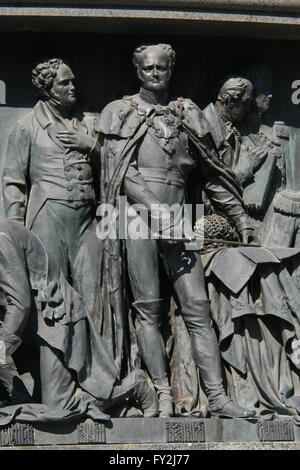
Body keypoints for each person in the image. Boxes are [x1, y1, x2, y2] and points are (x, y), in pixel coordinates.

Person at [96, 43, 256, 419]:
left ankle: (218, 397)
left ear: (171, 70)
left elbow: (212, 175)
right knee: (148, 310)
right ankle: (162, 394)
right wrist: (158, 213)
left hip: (184, 214)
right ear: (138, 71)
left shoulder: (187, 114)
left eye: (162, 68)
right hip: (133, 219)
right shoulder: (118, 112)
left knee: (197, 307)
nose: (156, 74)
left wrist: (241, 218)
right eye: (149, 68)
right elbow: (119, 172)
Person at [0, 219, 158, 425]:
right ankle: (118, 409)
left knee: (58, 409)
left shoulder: (1, 239)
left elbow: (20, 303)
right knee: (36, 408)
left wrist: (2, 349)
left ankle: (133, 386)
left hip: (54, 319)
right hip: (28, 331)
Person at [2, 58, 100, 314]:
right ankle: (54, 355)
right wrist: (17, 235)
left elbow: (111, 170)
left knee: (94, 295)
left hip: (87, 220)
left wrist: (90, 145)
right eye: (64, 83)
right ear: (47, 89)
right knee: (52, 298)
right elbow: (13, 182)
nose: (72, 87)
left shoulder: (87, 124)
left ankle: (91, 354)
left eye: (73, 82)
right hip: (48, 216)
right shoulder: (26, 126)